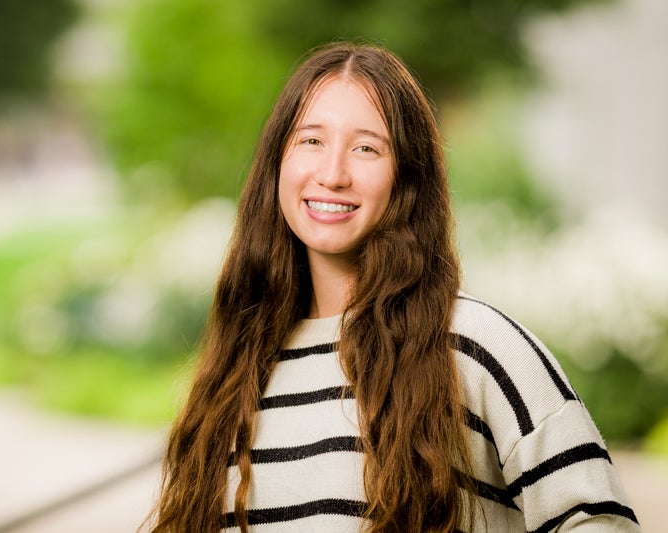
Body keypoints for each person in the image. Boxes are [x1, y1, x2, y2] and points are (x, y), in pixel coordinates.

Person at [147, 42, 639, 532]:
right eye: (311, 141)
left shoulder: (476, 346)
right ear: (278, 160)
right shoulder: (236, 371)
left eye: (366, 148)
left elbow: (600, 521)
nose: (333, 174)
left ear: (406, 176)